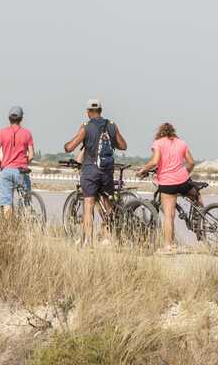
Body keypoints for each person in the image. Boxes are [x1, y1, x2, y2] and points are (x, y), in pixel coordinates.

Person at [63, 99, 127, 247]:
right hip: (107, 171)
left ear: (88, 112)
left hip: (90, 170)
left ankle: (88, 242)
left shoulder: (86, 127)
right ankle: (108, 237)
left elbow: (71, 146)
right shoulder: (111, 125)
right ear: (101, 110)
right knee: (108, 202)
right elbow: (123, 145)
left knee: (88, 204)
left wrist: (66, 146)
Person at [137, 123, 199, 255]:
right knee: (196, 195)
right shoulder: (181, 143)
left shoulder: (158, 143)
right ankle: (201, 217)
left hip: (167, 182)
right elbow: (191, 162)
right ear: (173, 132)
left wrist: (143, 169)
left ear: (160, 133)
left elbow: (155, 161)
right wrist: (184, 173)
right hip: (183, 181)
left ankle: (168, 246)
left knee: (169, 216)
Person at [0, 106, 34, 216]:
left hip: (6, 170)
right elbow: (32, 155)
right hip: (21, 171)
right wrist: (25, 163)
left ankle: (9, 229)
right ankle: (28, 223)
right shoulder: (27, 133)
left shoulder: (2, 132)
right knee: (26, 201)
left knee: (7, 203)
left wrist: (0, 165)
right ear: (21, 118)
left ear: (9, 118)